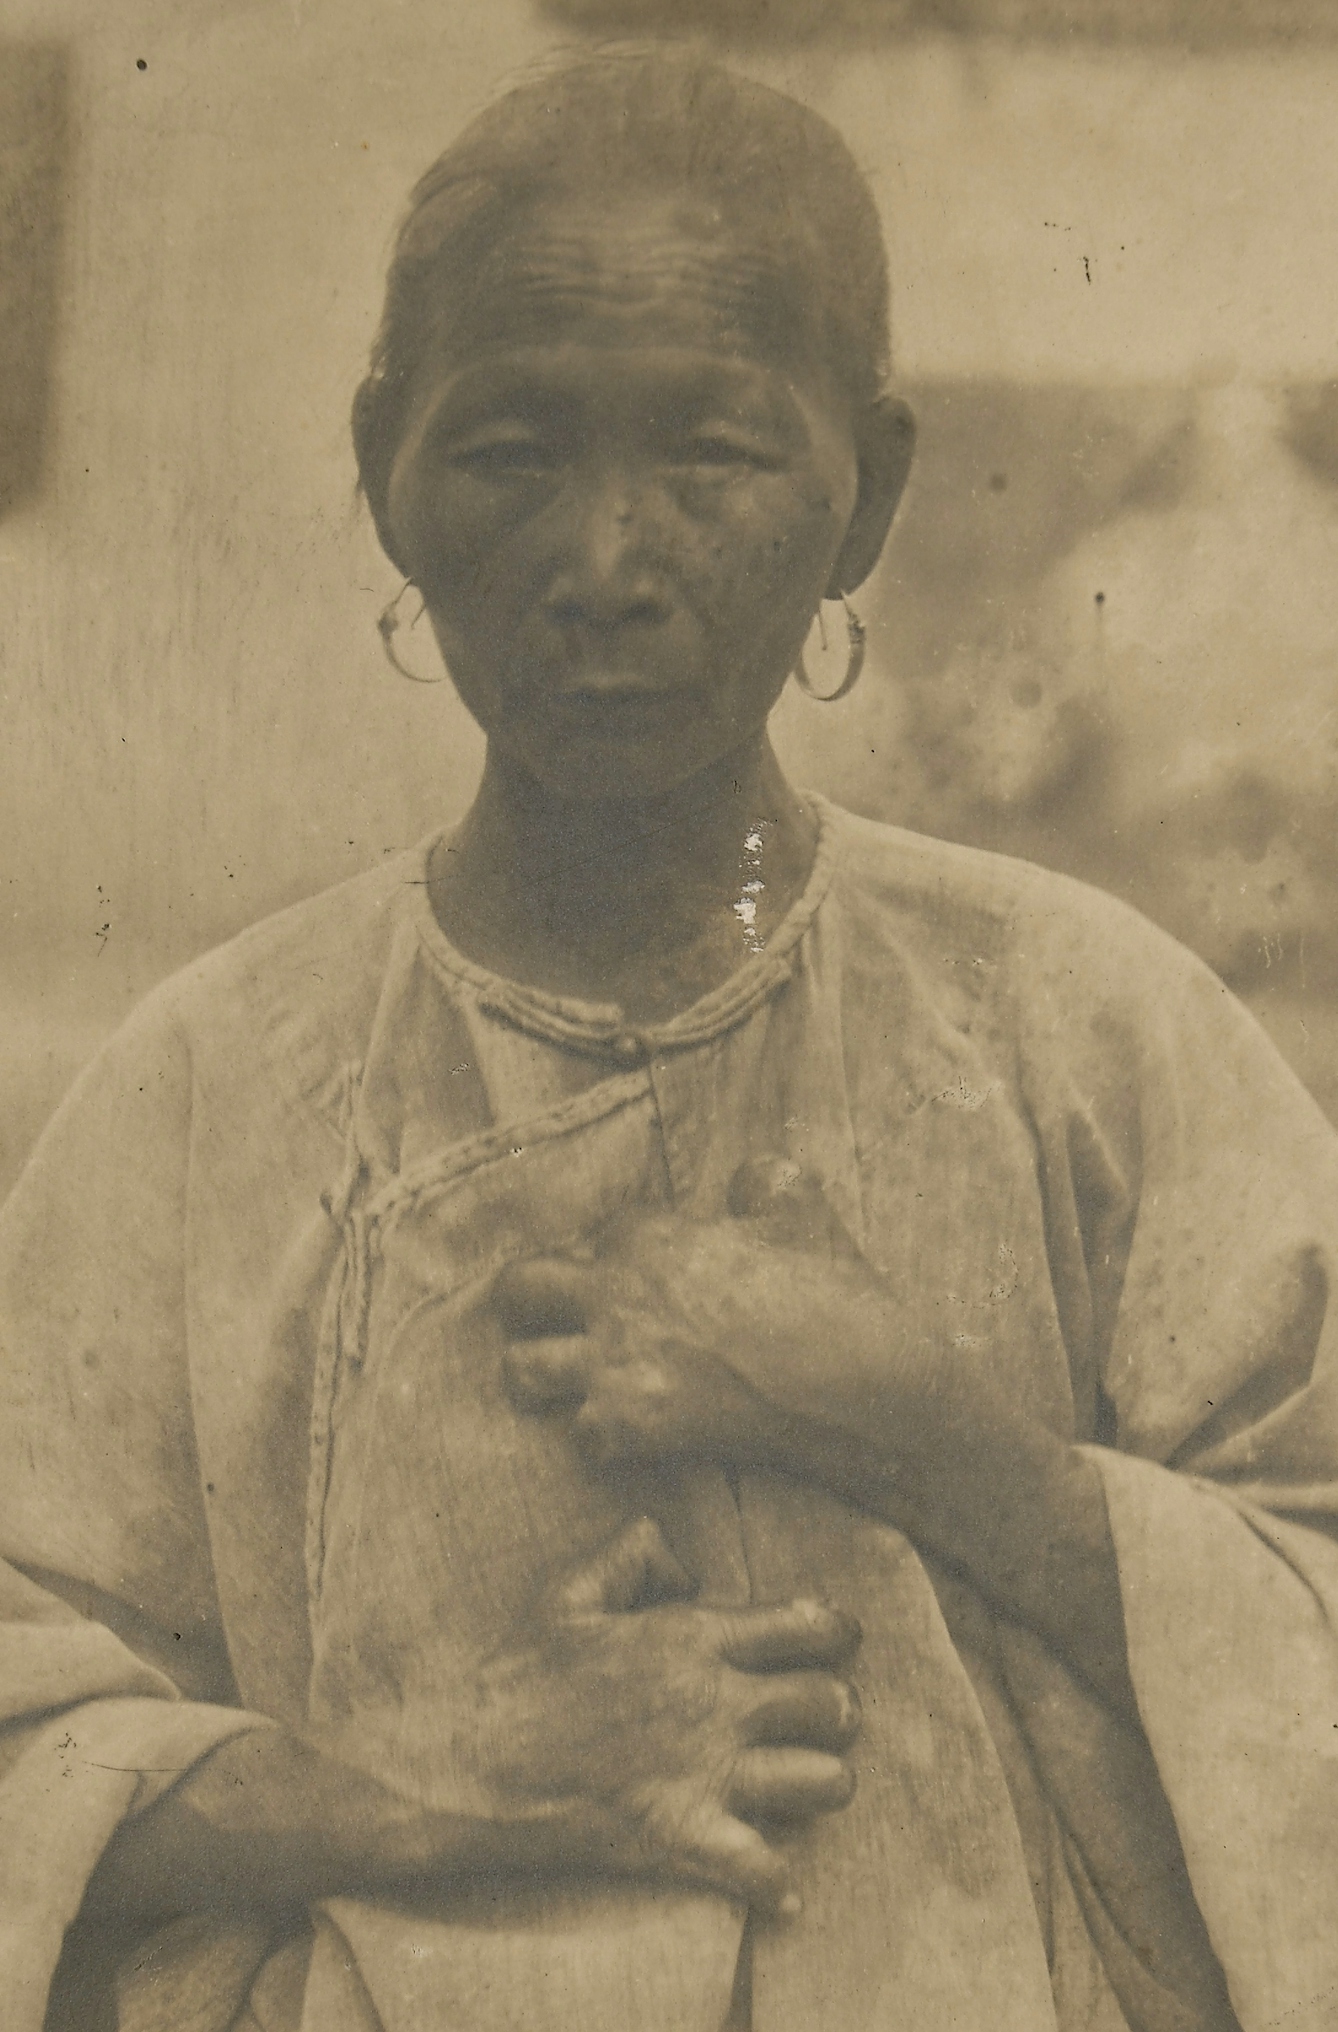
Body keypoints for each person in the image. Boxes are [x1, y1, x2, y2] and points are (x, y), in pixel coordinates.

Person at [5, 45, 1338, 2032]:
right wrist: (428, 1782)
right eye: (514, 446)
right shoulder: (208, 1089)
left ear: (865, 491)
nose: (608, 560)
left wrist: (916, 1426)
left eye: (711, 452)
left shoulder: (1097, 1032)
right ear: (386, 467)